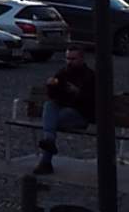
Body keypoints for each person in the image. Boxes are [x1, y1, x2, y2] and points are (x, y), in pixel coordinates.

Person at [34, 46, 96, 174]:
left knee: (52, 120)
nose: (69, 62)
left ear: (81, 59)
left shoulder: (90, 76)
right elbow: (54, 97)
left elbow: (93, 102)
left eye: (73, 59)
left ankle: (46, 160)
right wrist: (51, 86)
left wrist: (78, 93)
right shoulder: (63, 73)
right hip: (63, 111)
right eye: (67, 58)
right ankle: (49, 143)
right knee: (49, 106)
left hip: (81, 115)